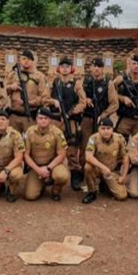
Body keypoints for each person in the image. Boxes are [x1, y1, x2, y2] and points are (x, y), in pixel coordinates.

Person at [48, 57, 87, 190]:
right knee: (52, 147)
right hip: (55, 120)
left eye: (67, 66)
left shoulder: (76, 83)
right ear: (59, 68)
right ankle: (50, 174)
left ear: (71, 69)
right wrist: (53, 102)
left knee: (71, 149)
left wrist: (71, 113)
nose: (65, 68)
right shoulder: (53, 82)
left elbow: (83, 102)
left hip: (70, 120)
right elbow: (44, 97)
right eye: (62, 66)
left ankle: (75, 173)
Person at [23, 108, 70, 201]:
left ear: (50, 120)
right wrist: (39, 170)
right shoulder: (29, 132)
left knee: (62, 176)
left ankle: (56, 191)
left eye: (45, 118)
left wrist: (48, 168)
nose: (43, 121)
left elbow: (62, 155)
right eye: (40, 118)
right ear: (36, 119)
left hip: (53, 165)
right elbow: (26, 155)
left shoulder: (57, 132)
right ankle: (41, 184)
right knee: (30, 196)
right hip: (36, 167)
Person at [82, 118, 129, 203]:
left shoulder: (119, 139)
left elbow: (125, 157)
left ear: (112, 129)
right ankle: (92, 192)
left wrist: (124, 176)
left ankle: (105, 184)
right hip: (98, 169)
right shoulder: (93, 138)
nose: (106, 131)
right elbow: (88, 157)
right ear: (98, 129)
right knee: (88, 167)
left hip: (112, 171)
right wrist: (103, 168)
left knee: (122, 195)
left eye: (108, 128)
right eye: (103, 128)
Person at [6, 50, 49, 133]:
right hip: (14, 116)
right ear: (20, 60)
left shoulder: (39, 76)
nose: (26, 61)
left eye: (29, 59)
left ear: (33, 61)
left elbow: (44, 97)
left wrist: (29, 103)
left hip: (30, 116)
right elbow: (4, 92)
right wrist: (11, 87)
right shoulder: (13, 75)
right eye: (24, 59)